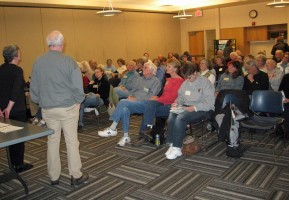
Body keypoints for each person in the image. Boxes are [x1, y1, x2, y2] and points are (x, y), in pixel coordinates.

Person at [30, 30, 88, 186]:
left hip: (48, 109)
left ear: (48, 44)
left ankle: (54, 177)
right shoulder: (69, 61)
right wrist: (78, 101)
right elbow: (78, 86)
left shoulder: (38, 62)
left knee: (52, 141)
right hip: (68, 108)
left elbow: (33, 91)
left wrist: (41, 102)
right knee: (71, 142)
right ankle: (75, 176)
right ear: (62, 44)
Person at [98, 62, 161, 146]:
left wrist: (135, 99)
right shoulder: (140, 79)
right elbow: (133, 91)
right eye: (144, 67)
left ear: (151, 70)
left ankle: (113, 128)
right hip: (136, 102)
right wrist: (130, 97)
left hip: (146, 104)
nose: (143, 69)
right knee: (124, 109)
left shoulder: (156, 81)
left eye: (145, 67)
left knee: (123, 101)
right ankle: (126, 136)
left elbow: (151, 96)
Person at [165, 66, 215, 160]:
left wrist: (195, 107)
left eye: (189, 77)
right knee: (172, 115)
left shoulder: (205, 82)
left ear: (195, 73)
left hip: (203, 109)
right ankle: (172, 143)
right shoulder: (186, 82)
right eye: (186, 78)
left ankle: (177, 147)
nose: (188, 80)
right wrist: (177, 102)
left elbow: (210, 103)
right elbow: (181, 96)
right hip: (187, 107)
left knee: (181, 118)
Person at [0, 45, 33, 173]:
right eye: (19, 53)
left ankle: (11, 162)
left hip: (3, 110)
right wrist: (9, 108)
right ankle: (18, 164)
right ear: (15, 56)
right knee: (19, 138)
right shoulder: (18, 70)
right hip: (16, 109)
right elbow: (15, 91)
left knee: (9, 136)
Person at [136, 59, 184, 145]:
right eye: (167, 66)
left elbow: (172, 98)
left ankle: (145, 132)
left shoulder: (179, 81)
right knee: (150, 103)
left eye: (169, 66)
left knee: (149, 109)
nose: (166, 68)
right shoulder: (168, 79)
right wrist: (157, 97)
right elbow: (164, 95)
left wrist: (157, 99)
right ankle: (148, 129)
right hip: (162, 102)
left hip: (171, 106)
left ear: (175, 69)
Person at [78, 66, 110, 131]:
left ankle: (82, 99)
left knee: (92, 96)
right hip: (90, 99)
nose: (96, 74)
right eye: (95, 73)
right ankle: (80, 125)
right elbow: (85, 91)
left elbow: (106, 95)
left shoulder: (106, 82)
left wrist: (99, 95)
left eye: (98, 72)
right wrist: (89, 84)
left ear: (102, 72)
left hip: (100, 100)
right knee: (81, 104)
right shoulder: (94, 82)